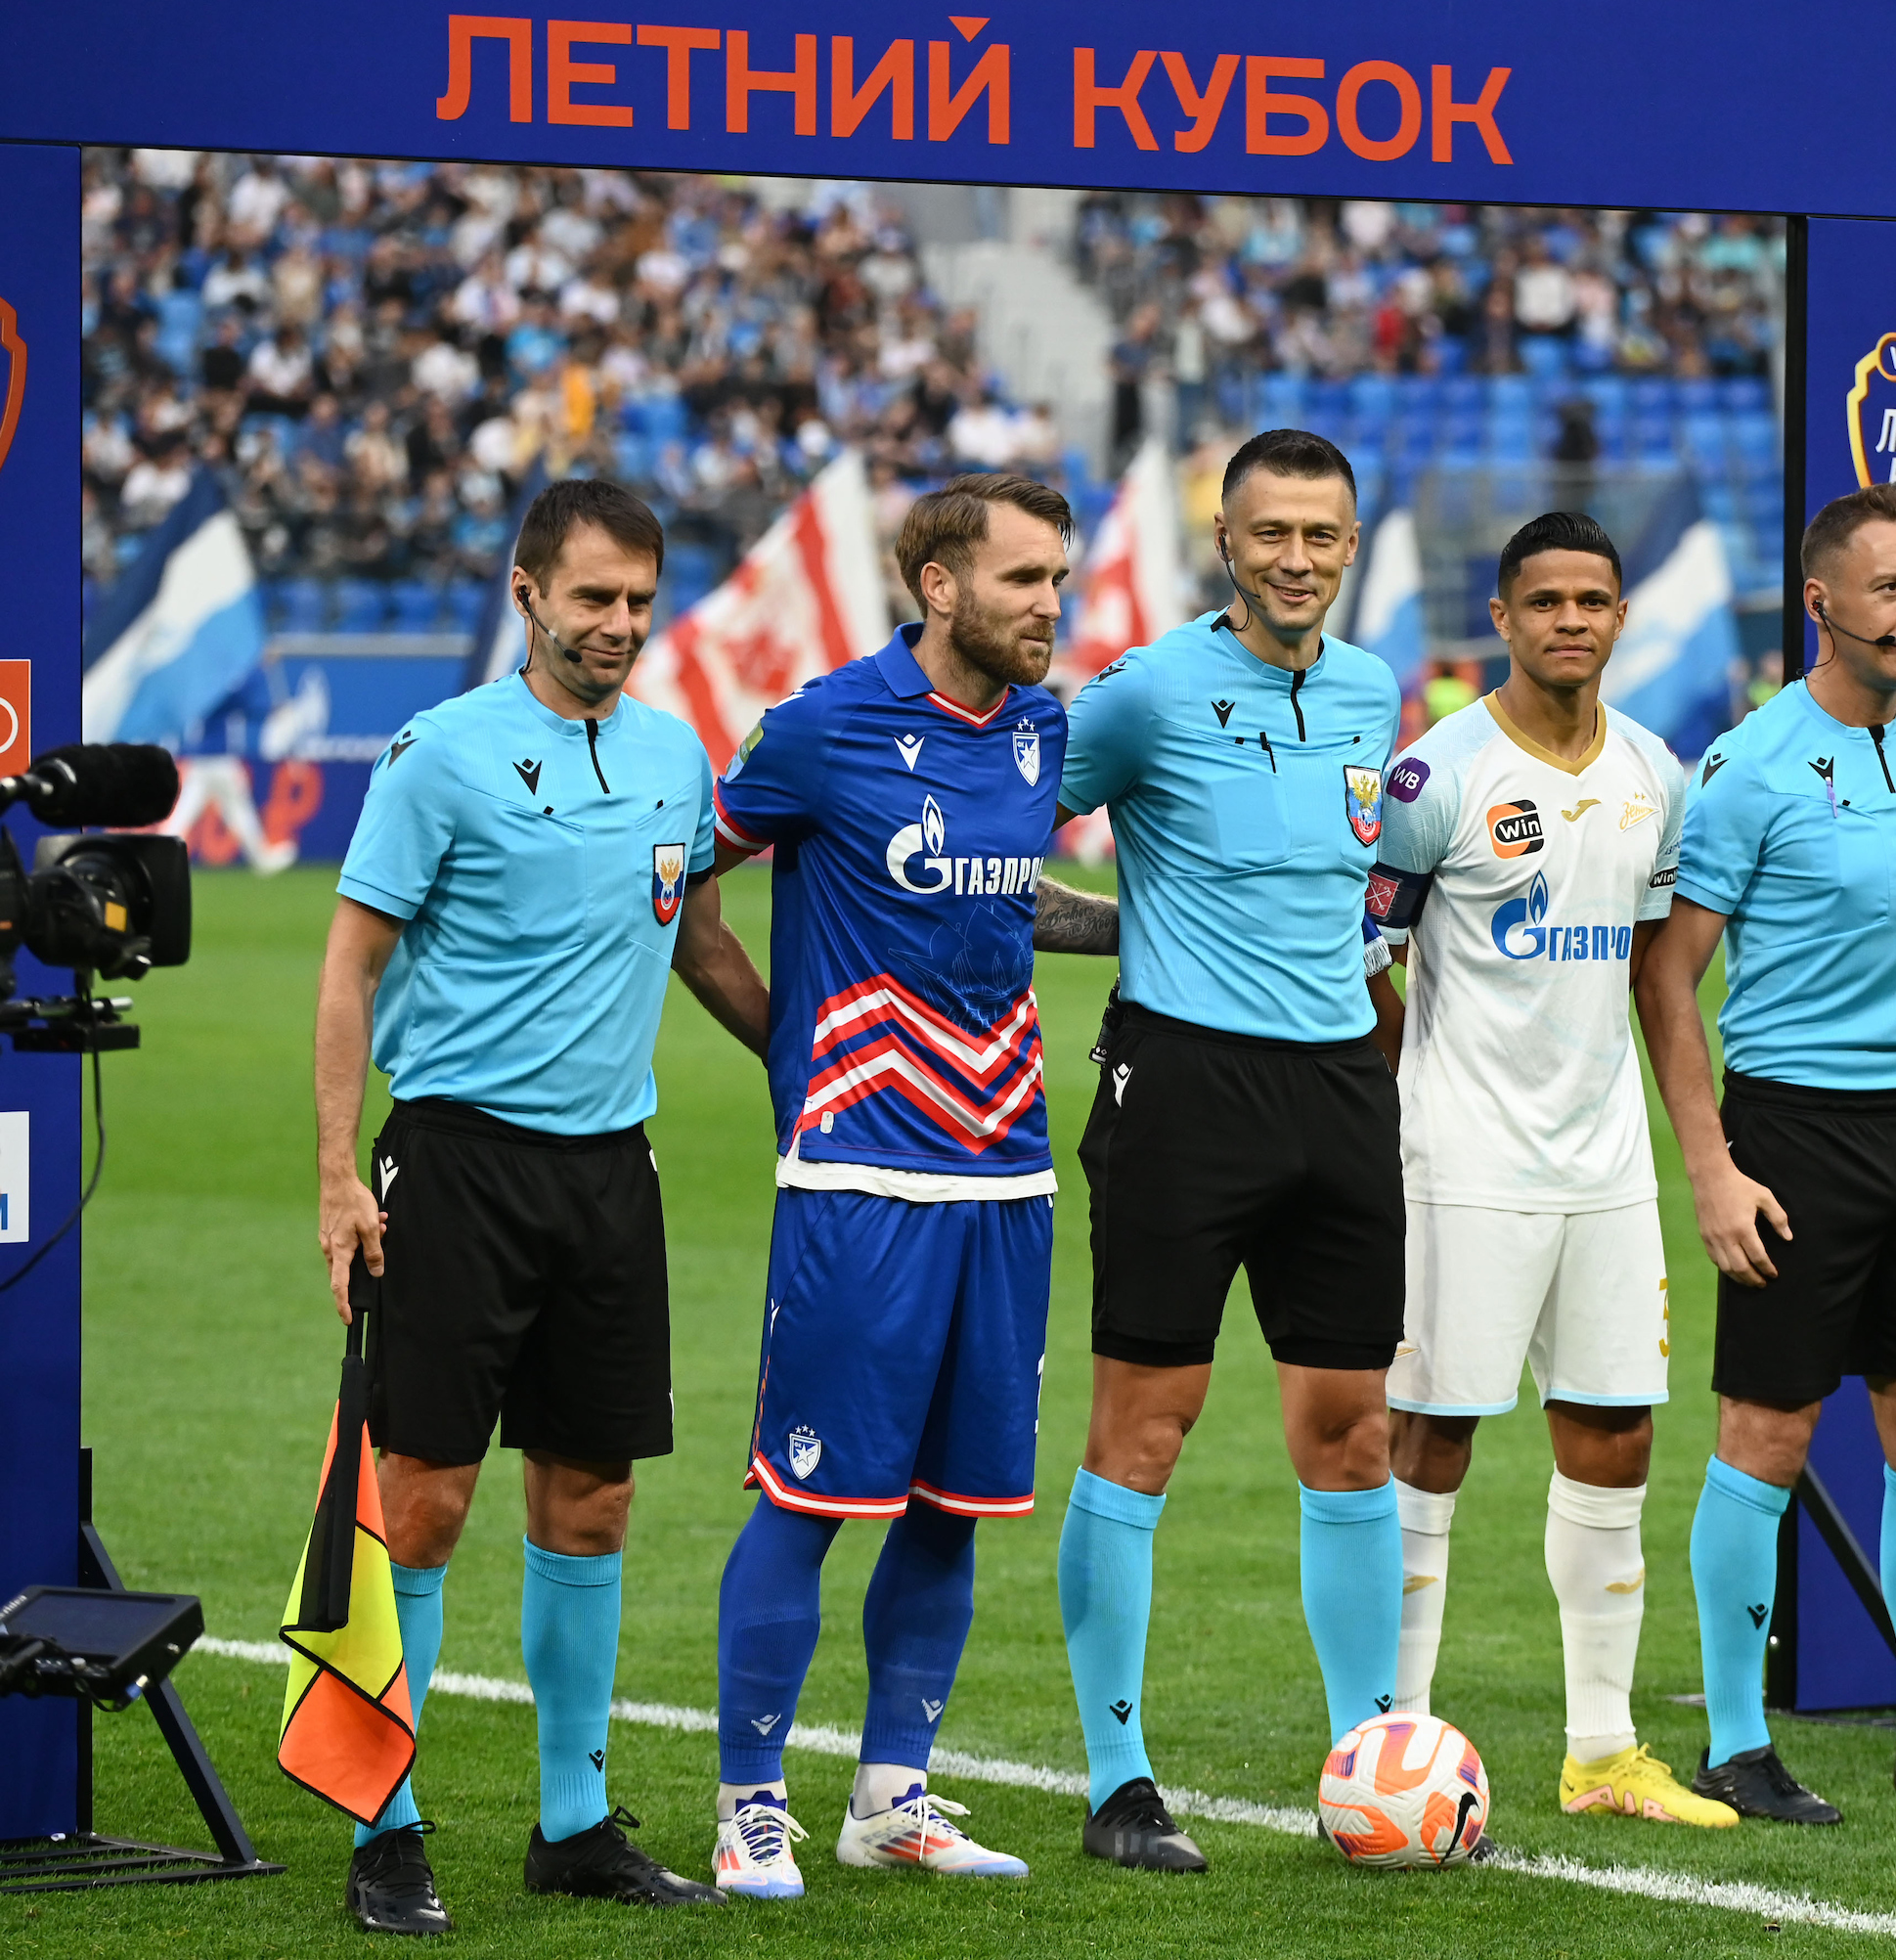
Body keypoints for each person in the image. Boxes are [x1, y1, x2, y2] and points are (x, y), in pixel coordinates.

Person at [316, 478, 770, 1935]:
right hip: (452, 1166)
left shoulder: (672, 753)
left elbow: (702, 945)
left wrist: (812, 1060)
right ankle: (386, 1828)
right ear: (528, 594)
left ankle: (573, 1823)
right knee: (424, 1501)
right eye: (593, 600)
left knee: (594, 1499)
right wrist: (339, 1176)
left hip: (607, 1176)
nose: (620, 626)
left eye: (640, 601)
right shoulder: (439, 754)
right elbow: (349, 970)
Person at [700, 474, 1120, 1900]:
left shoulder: (1040, 731)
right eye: (1021, 580)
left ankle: (893, 1795)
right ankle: (748, 1801)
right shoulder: (822, 730)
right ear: (936, 585)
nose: (1048, 606)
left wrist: (1147, 934)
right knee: (810, 1498)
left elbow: (1005, 899)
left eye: (1056, 578)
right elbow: (690, 882)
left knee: (957, 1502)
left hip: (1007, 1174)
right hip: (861, 1177)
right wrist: (788, 1048)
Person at [1635, 482, 1896, 1824]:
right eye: (1891, 587)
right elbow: (1669, 979)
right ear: (1823, 603)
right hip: (1792, 1131)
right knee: (1766, 1430)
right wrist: (1711, 1166)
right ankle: (1738, 1743)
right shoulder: (1751, 765)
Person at [1051, 427, 1404, 1873]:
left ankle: (1372, 1758)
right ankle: (1120, 1778)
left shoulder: (1379, 691)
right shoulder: (1144, 692)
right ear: (1227, 543)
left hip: (1339, 1093)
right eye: (1274, 536)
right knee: (1147, 1428)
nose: (1300, 561)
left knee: (1353, 1431)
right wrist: (1123, 934)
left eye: (1324, 535)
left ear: (1351, 543)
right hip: (1182, 1087)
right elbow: (996, 850)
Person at [1364, 512, 1734, 1830]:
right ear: (1504, 621)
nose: (1571, 621)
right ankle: (1389, 1746)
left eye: (1593, 600)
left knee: (1617, 1431)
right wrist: (1426, 1081)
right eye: (1545, 602)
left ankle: (1601, 1754)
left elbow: (1658, 977)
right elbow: (1365, 960)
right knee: (1433, 1435)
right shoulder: (1434, 779)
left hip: (1609, 1168)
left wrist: (1703, 1157)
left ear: (1619, 618)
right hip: (1462, 1162)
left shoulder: (1654, 773)